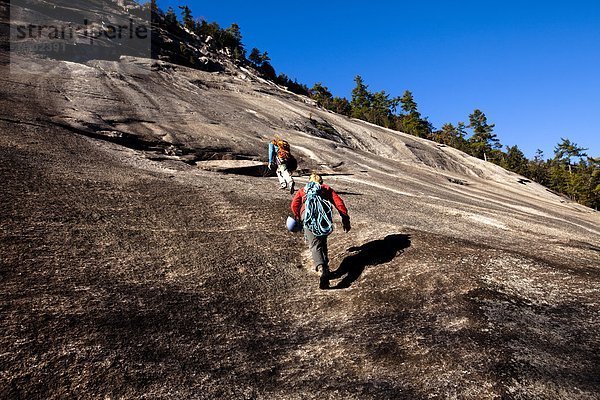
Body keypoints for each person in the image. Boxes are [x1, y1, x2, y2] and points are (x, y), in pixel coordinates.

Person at [291, 172, 351, 289]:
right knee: (322, 241)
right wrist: (345, 218)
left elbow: (294, 205)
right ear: (321, 182)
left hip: (307, 216)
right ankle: (326, 268)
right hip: (323, 217)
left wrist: (298, 217)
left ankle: (322, 268)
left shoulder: (303, 190)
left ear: (309, 181)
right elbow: (339, 203)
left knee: (315, 245)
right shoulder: (325, 189)